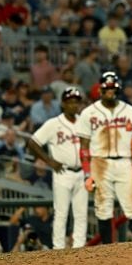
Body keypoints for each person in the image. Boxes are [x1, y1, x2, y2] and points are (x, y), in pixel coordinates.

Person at [77, 72, 132, 244]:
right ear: (100, 90)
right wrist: (87, 174)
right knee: (103, 209)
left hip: (124, 161)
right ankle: (108, 252)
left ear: (118, 90)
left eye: (113, 89)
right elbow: (84, 146)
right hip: (99, 162)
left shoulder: (130, 111)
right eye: (106, 89)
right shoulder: (89, 113)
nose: (110, 92)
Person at [26, 87, 88, 249]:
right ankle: (58, 249)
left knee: (81, 213)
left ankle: (79, 247)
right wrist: (49, 161)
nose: (74, 105)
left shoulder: (84, 122)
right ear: (63, 104)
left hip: (81, 172)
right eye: (70, 102)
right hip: (63, 173)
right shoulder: (53, 124)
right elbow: (33, 143)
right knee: (61, 213)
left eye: (77, 102)